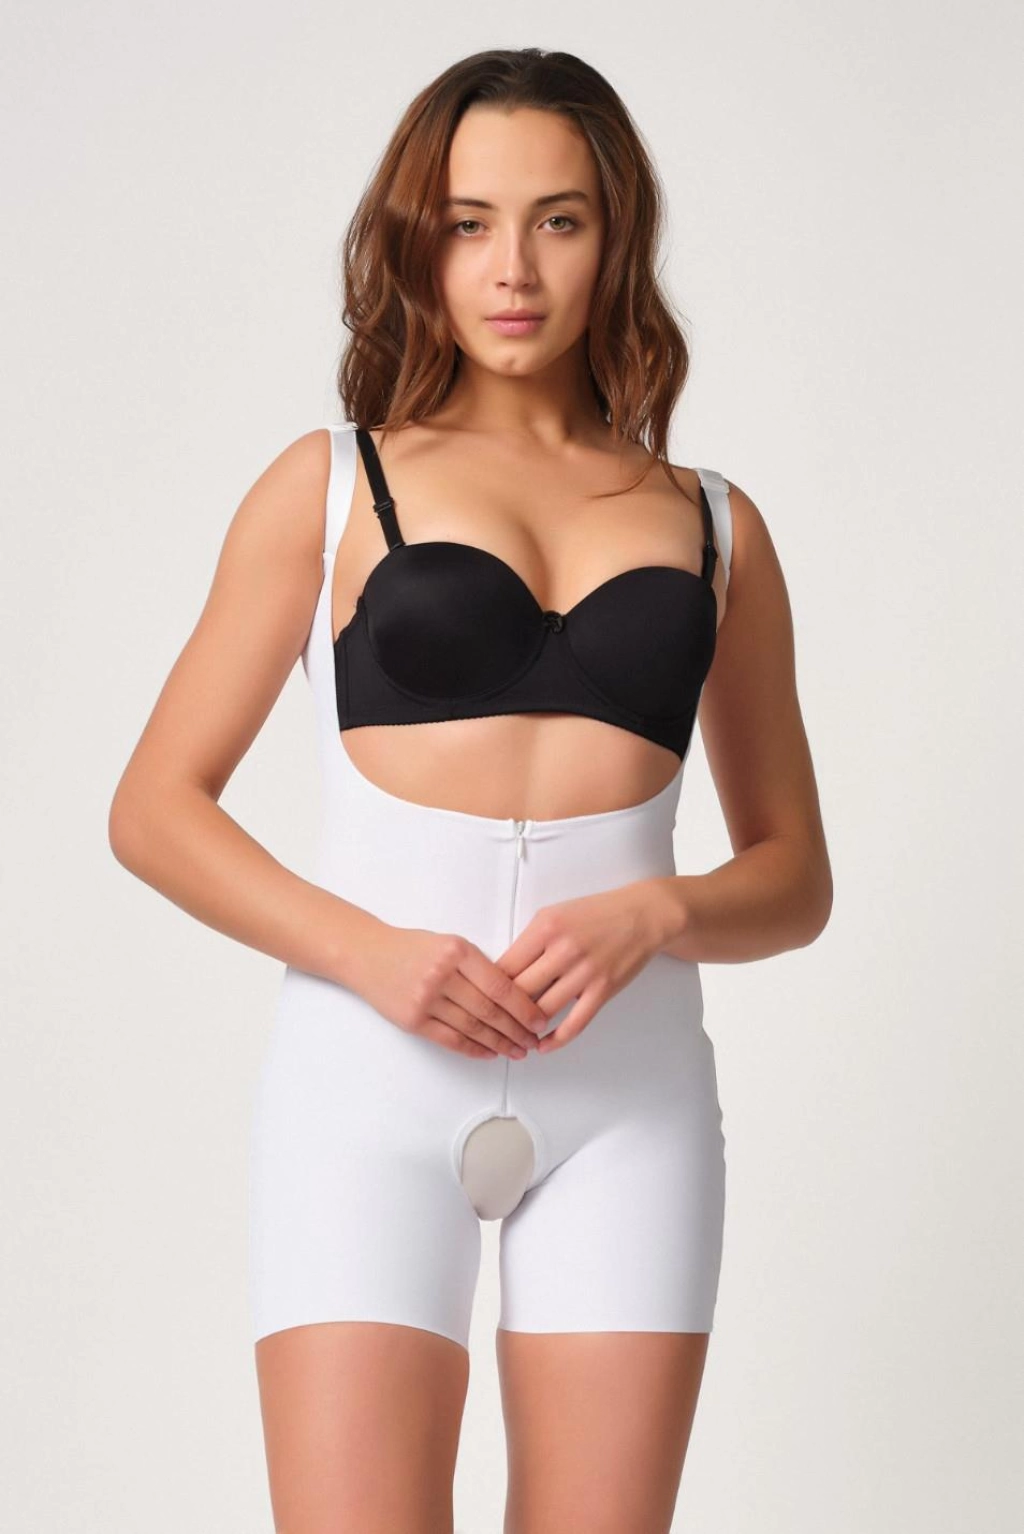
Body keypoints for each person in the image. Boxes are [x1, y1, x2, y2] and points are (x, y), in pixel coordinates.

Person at [109, 46, 832, 1534]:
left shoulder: (713, 525)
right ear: (416, 243)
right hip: (364, 1088)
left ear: (615, 239)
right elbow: (155, 808)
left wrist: (656, 913)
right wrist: (370, 952)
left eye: (559, 220)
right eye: (468, 223)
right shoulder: (328, 486)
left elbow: (794, 874)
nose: (513, 268)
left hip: (629, 1099)